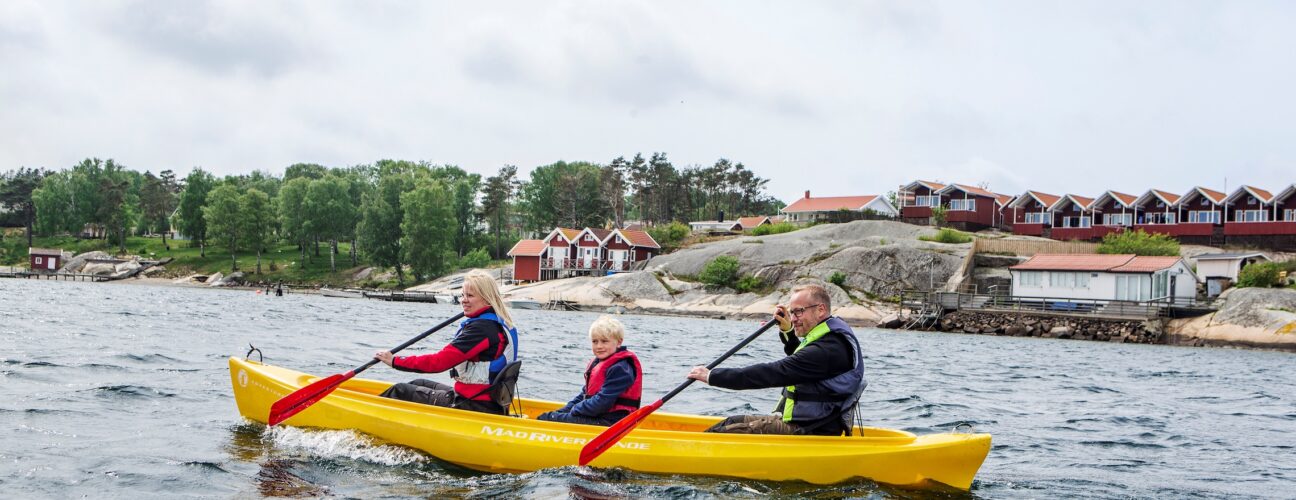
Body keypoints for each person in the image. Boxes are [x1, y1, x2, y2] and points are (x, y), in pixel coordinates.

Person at [686, 283, 865, 436]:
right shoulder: (827, 341)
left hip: (811, 431)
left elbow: (774, 372)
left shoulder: (828, 349)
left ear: (820, 310)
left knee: (724, 433)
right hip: (805, 423)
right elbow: (803, 365)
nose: (793, 319)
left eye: (798, 312)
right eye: (792, 313)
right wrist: (788, 331)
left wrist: (712, 376)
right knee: (731, 421)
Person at [374, 271, 519, 415]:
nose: (463, 300)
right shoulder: (498, 322)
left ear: (487, 299)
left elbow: (439, 362)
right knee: (418, 383)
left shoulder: (482, 329)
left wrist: (395, 361)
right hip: (487, 401)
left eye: (470, 296)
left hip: (473, 405)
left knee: (399, 390)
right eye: (463, 295)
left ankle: (371, 417)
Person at [537, 316, 642, 426]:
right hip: (598, 416)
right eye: (595, 342)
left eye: (604, 341)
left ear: (619, 342)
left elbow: (602, 403)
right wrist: (563, 411)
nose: (599, 346)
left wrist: (574, 410)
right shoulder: (599, 363)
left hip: (612, 423)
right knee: (553, 416)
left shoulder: (621, 369)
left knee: (546, 418)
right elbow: (584, 394)